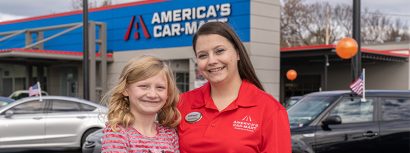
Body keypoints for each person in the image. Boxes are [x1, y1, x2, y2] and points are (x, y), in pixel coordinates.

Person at [178, 22, 291, 153]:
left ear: (237, 53)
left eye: (219, 51)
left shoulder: (270, 110)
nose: (212, 61)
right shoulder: (182, 104)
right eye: (203, 55)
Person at [102, 56, 181, 153]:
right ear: (125, 89)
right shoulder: (116, 134)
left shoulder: (170, 135)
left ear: (168, 94)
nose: (152, 94)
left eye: (160, 87)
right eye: (144, 86)